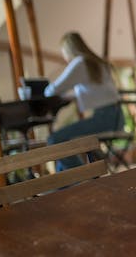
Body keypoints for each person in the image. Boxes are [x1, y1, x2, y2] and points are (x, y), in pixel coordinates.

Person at [44, 32, 123, 171]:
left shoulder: (80, 63)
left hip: (103, 118)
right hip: (116, 118)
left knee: (54, 140)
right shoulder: (94, 61)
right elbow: (97, 91)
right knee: (59, 142)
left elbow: (52, 91)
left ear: (67, 50)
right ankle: (67, 185)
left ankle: (83, 176)